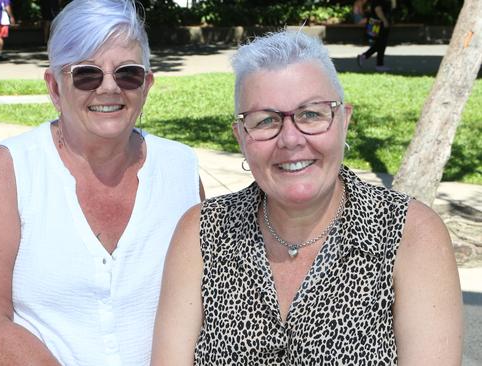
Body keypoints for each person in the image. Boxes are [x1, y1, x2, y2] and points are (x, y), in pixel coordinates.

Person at [151, 30, 463, 365]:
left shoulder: (409, 235)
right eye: (266, 120)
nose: (290, 139)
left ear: (344, 120)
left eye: (311, 114)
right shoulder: (202, 233)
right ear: (241, 137)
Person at [0, 0, 203, 364]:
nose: (109, 88)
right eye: (87, 74)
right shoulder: (1, 172)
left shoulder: (179, 169)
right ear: (54, 87)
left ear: (146, 85)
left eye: (127, 74)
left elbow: (199, 310)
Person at [357, 0, 392, 72]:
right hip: (378, 24)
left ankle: (365, 57)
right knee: (381, 43)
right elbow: (378, 10)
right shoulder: (377, 1)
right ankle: (378, 64)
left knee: (380, 43)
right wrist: (384, 20)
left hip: (377, 23)